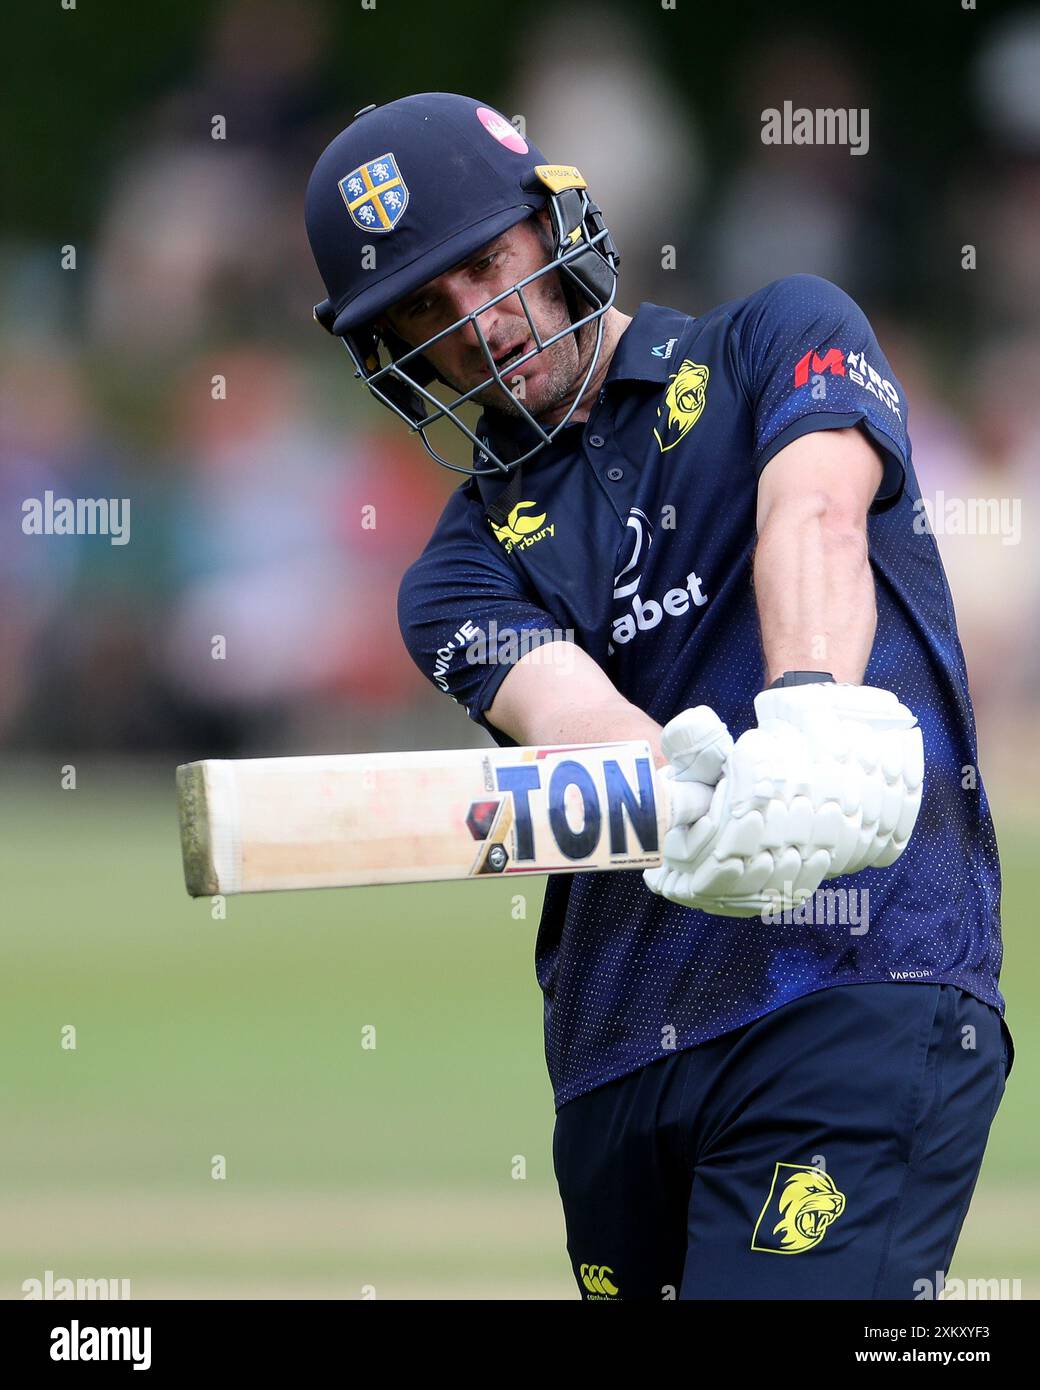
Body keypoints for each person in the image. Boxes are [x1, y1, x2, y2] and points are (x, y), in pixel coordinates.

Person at [305, 93, 1012, 1301]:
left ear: (556, 227)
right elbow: (575, 723)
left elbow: (817, 515)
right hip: (618, 1054)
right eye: (423, 310)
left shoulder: (778, 332)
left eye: (487, 264)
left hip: (856, 984)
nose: (475, 323)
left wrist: (803, 714)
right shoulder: (457, 571)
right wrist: (692, 795)